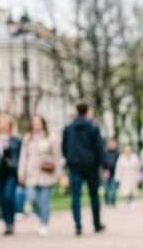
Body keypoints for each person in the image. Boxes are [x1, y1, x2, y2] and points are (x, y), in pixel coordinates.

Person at [62, 101, 105, 235]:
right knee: (94, 195)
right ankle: (96, 224)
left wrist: (70, 159)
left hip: (74, 165)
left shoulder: (68, 128)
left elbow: (64, 148)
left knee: (76, 195)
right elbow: (99, 148)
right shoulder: (93, 127)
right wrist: (101, 164)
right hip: (91, 165)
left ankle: (78, 224)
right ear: (87, 111)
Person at [17, 115, 62, 237]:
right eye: (34, 123)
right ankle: (41, 216)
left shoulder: (51, 138)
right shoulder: (27, 138)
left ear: (43, 124)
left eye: (38, 123)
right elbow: (23, 157)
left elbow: (57, 157)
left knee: (45, 201)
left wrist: (59, 174)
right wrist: (21, 172)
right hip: (31, 174)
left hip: (46, 173)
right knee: (31, 198)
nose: (36, 125)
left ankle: (44, 224)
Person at [115, 144, 142, 209]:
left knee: (132, 191)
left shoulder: (134, 157)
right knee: (126, 191)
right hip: (125, 176)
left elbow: (137, 168)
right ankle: (128, 203)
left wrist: (138, 177)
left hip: (132, 176)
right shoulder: (121, 157)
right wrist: (118, 177)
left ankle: (131, 202)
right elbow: (118, 168)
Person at [101, 137, 121, 208]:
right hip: (106, 173)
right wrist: (105, 170)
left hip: (115, 173)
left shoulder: (118, 153)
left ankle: (113, 202)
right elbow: (102, 162)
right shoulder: (105, 152)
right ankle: (107, 201)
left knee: (113, 189)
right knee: (106, 188)